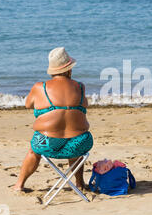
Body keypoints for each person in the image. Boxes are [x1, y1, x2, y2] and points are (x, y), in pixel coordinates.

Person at [13, 47, 93, 192]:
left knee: (33, 151)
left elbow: (27, 104)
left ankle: (19, 185)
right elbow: (85, 105)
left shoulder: (40, 87)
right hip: (79, 143)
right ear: (69, 69)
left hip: (47, 144)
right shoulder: (80, 87)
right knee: (75, 146)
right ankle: (79, 183)